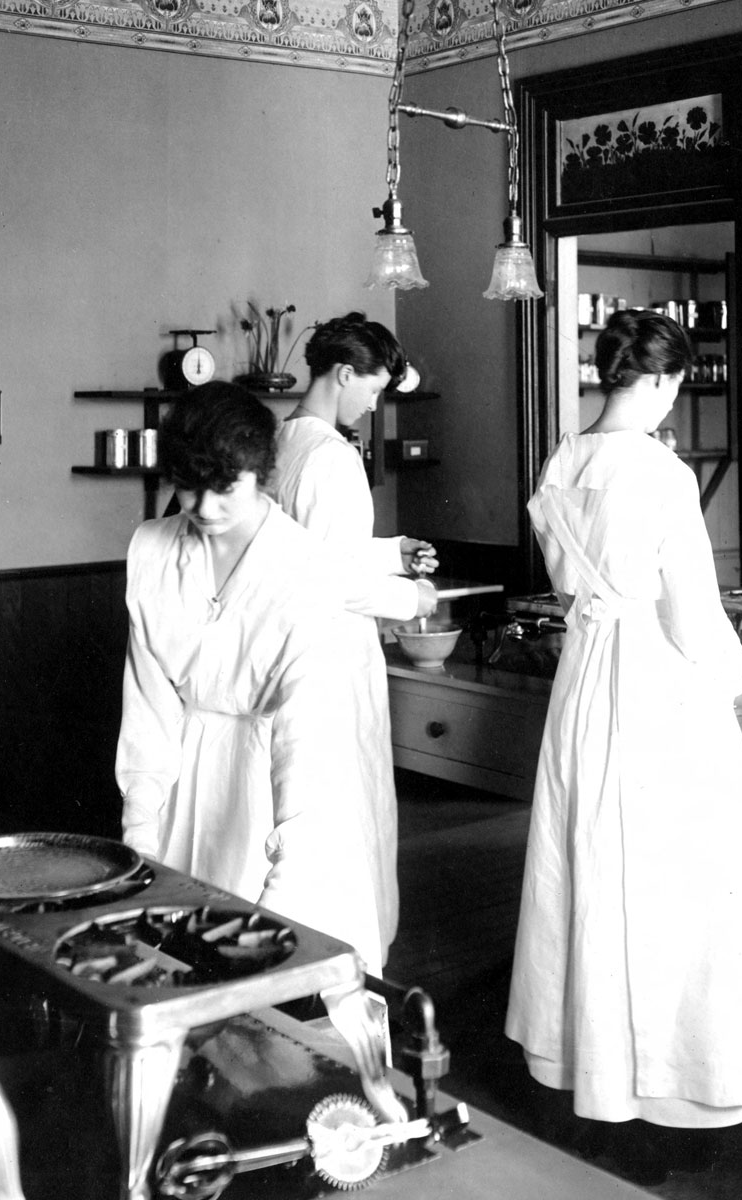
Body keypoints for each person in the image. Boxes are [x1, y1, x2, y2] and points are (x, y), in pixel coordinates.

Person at [505, 310, 742, 1184]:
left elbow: (576, 585)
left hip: (586, 678)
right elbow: (691, 618)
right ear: (665, 381)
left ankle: (595, 1083)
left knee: (591, 872)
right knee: (676, 888)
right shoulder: (664, 474)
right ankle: (676, 1099)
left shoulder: (562, 461)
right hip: (655, 687)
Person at [118, 382, 390, 971]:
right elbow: (148, 704)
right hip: (184, 783)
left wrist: (281, 892)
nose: (204, 507)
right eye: (187, 486)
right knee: (173, 967)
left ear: (261, 473)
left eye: (225, 487)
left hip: (279, 793)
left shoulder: (306, 570)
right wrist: (141, 834)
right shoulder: (152, 550)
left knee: (269, 976)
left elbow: (305, 745)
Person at [273, 312, 439, 960]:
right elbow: (331, 578)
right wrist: (409, 598)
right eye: (372, 390)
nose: (373, 405)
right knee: (348, 803)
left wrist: (394, 551)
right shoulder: (334, 457)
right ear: (343, 374)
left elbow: (313, 550)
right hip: (333, 654)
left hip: (286, 652)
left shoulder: (282, 442)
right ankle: (355, 953)